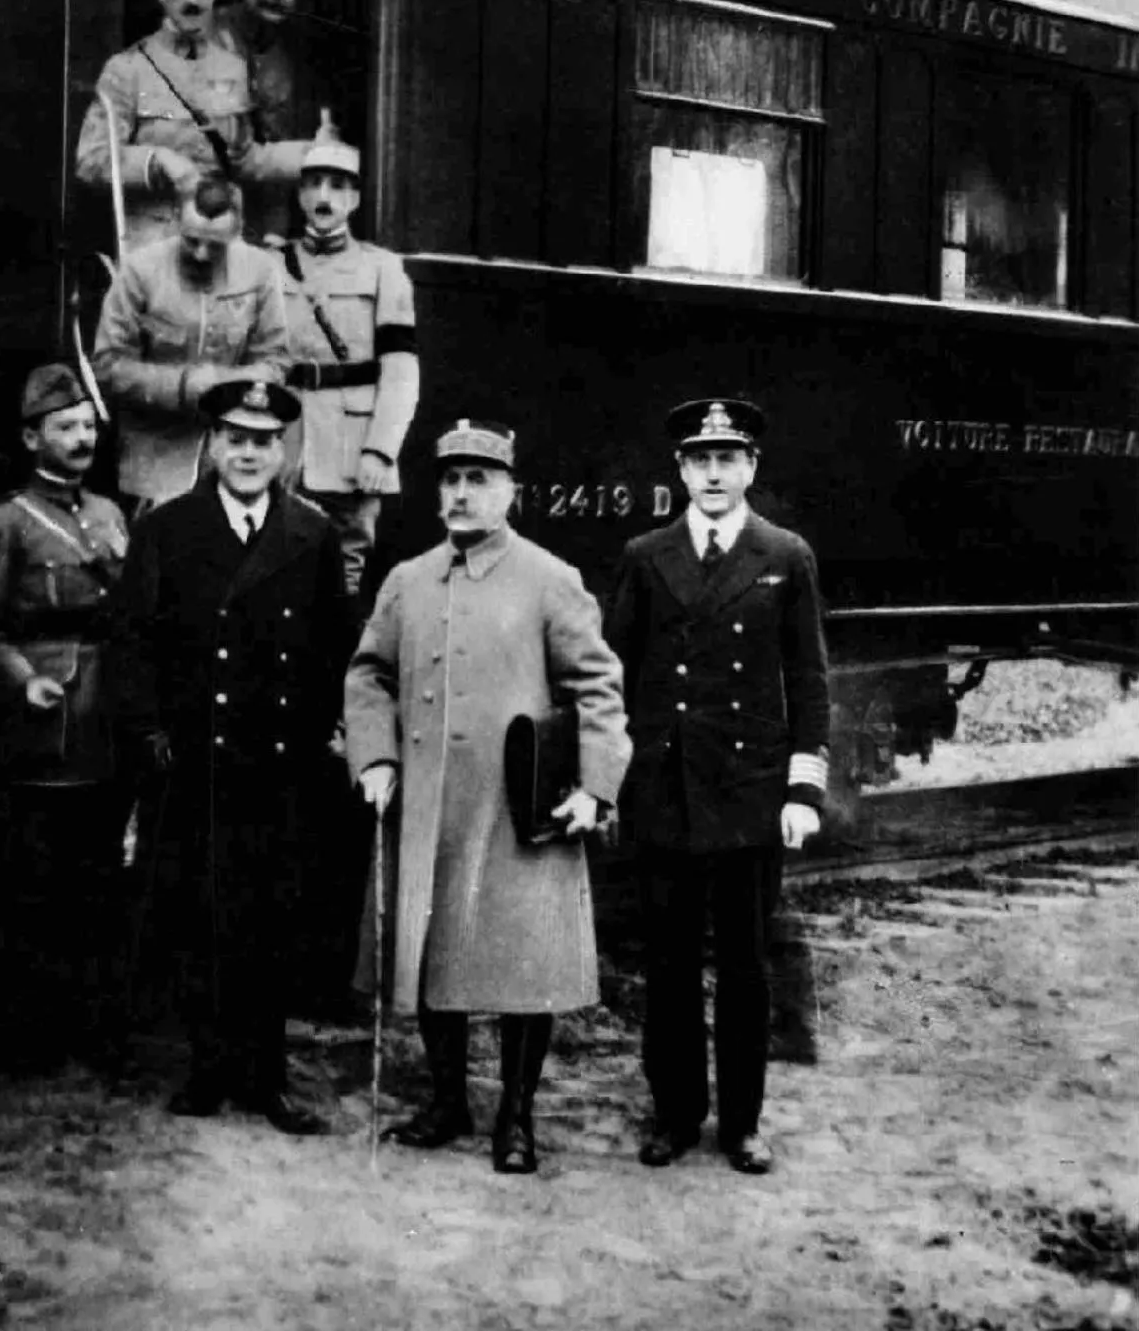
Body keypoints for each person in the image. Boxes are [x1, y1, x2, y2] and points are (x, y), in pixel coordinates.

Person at [344, 420, 631, 1176]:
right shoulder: (407, 578)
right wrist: (373, 755)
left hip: (516, 808)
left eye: (479, 479)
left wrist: (594, 787)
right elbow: (367, 672)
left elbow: (597, 687)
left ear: (510, 491)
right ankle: (446, 1102)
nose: (462, 493)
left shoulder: (548, 577)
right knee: (434, 954)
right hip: (428, 807)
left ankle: (515, 1115)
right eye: (450, 479)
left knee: (520, 965)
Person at [110, 378, 350, 1131]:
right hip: (196, 761)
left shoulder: (312, 533)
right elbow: (132, 642)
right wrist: (151, 734)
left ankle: (267, 1075)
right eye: (235, 438)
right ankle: (207, 1067)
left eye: (264, 440)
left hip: (279, 762)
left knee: (272, 916)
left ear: (284, 450)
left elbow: (334, 651)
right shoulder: (167, 529)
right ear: (211, 443)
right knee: (199, 913)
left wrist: (325, 738)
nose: (249, 453)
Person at [605, 398, 830, 1177]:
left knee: (743, 966)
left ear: (750, 469)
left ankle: (741, 1123)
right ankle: (672, 1113)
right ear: (679, 470)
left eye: (726, 458)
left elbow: (807, 680)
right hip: (665, 789)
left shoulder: (784, 554)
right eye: (698, 459)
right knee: (666, 966)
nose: (711, 472)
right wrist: (611, 782)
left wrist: (802, 791)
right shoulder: (644, 553)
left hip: (749, 791)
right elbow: (616, 674)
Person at [0, 363, 130, 1070]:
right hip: (45, 728)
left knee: (98, 878)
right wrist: (24, 679)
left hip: (107, 720)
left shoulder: (111, 516)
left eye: (88, 426)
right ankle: (28, 1029)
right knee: (36, 884)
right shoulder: (2, 524)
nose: (81, 437)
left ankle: (93, 1027)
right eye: (65, 427)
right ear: (33, 438)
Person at [75, 0, 309, 252]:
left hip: (223, 242)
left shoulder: (233, 69)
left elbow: (244, 159)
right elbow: (91, 161)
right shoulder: (127, 68)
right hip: (156, 246)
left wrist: (310, 155)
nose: (193, 0)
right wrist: (158, 161)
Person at [280, 120, 419, 605]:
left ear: (355, 199)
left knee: (344, 579)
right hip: (283, 440)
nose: (325, 196)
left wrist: (381, 450)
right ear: (300, 194)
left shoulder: (383, 269)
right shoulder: (270, 264)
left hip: (351, 444)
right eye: (314, 183)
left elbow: (401, 370)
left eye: (338, 186)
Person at [92, 175, 291, 512]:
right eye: (191, 240)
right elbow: (108, 364)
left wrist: (224, 386)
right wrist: (183, 385)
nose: (201, 254)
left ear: (238, 230)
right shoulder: (139, 271)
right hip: (153, 456)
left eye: (215, 246)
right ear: (175, 219)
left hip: (233, 453)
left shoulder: (261, 271)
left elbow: (277, 362)